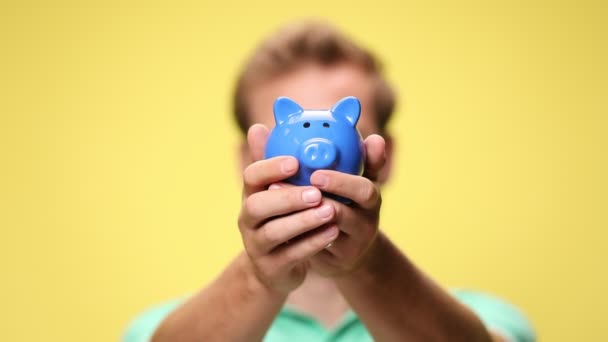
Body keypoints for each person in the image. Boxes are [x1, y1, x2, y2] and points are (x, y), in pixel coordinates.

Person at [123, 21, 535, 342]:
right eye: (288, 133)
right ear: (250, 158)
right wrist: (258, 278)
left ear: (381, 155)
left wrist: (367, 265)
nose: (311, 150)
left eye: (344, 130)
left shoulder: (481, 317)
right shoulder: (162, 326)